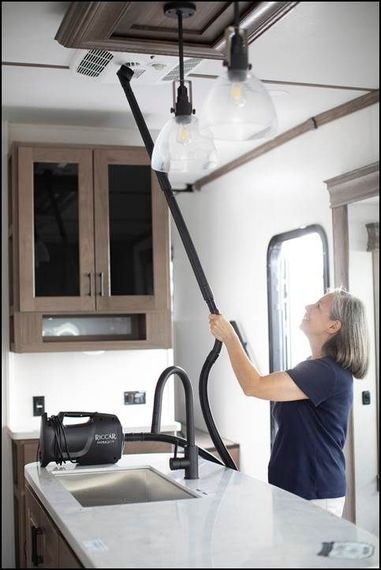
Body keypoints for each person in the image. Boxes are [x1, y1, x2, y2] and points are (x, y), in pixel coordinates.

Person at [209, 288, 369, 517]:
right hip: (294, 489)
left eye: (318, 306)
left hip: (315, 493)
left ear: (333, 326)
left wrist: (230, 337)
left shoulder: (326, 373)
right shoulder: (312, 367)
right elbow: (264, 387)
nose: (308, 307)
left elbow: (253, 385)